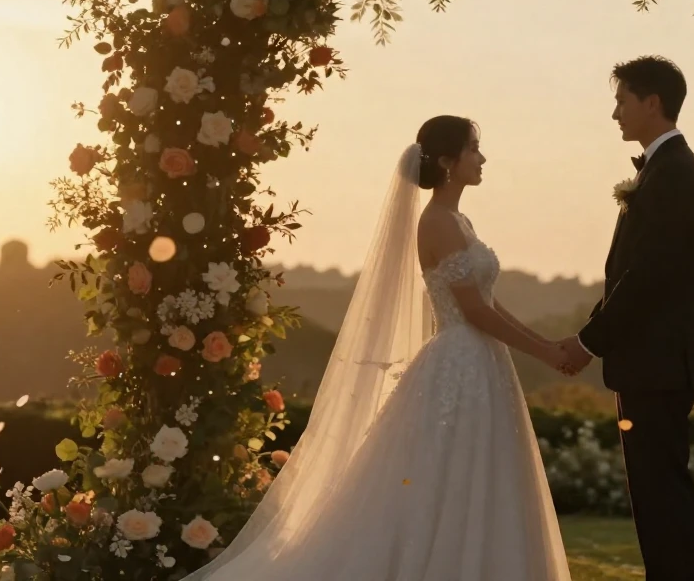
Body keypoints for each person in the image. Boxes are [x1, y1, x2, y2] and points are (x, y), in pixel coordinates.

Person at [182, 116, 572, 581]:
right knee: (445, 476)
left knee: (479, 474)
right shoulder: (439, 223)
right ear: (449, 162)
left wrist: (545, 343)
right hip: (461, 360)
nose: (482, 158)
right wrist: (544, 353)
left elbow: (488, 302)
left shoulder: (461, 221)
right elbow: (473, 311)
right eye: (474, 149)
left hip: (481, 361)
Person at [559, 55, 694, 581]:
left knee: (660, 494)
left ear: (652, 102)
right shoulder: (665, 169)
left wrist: (588, 340)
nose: (615, 113)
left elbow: (647, 278)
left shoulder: (673, 173)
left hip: (658, 363)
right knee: (655, 495)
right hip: (653, 362)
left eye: (622, 101)